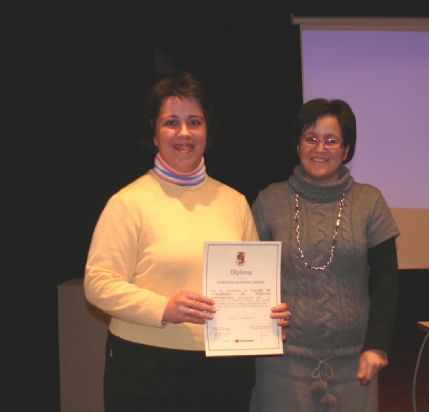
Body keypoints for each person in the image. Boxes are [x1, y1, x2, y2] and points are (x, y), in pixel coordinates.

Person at [84, 70, 290, 412]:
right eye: (171, 123)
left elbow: (254, 281)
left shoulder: (235, 202)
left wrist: (268, 316)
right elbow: (97, 284)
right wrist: (163, 307)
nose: (184, 133)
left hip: (225, 371)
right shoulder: (127, 202)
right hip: (146, 370)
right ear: (154, 134)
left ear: (207, 132)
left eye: (194, 122)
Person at [249, 98, 400, 412]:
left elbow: (386, 281)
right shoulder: (269, 200)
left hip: (353, 364)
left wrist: (376, 346)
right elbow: (249, 278)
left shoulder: (369, 202)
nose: (320, 148)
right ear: (298, 144)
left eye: (331, 141)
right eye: (311, 138)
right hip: (282, 364)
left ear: (346, 150)